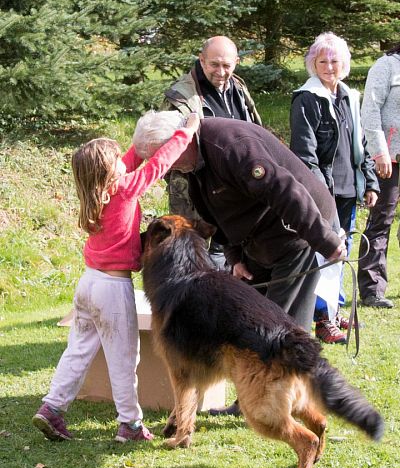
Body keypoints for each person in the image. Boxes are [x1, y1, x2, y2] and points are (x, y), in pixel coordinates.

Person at [32, 111, 200, 443]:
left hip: (89, 284)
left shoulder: (97, 192)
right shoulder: (123, 190)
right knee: (124, 360)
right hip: (112, 289)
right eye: (117, 159)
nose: (125, 160)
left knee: (78, 351)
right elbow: (157, 167)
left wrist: (139, 146)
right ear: (111, 172)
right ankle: (131, 425)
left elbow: (129, 160)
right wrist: (185, 133)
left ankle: (52, 408)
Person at [133, 111, 346, 346]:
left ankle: (294, 379)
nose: (162, 168)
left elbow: (284, 190)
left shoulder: (229, 145)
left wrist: (325, 241)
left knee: (280, 330)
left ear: (180, 140)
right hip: (258, 240)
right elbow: (216, 214)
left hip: (296, 232)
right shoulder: (192, 161)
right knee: (250, 322)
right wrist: (235, 258)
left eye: (162, 158)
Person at [290, 32, 379, 343]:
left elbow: (362, 145)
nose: (329, 66)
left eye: (335, 60)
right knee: (324, 253)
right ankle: (320, 318)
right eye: (322, 60)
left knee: (343, 251)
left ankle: (333, 307)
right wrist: (319, 193)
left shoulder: (349, 97)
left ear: (345, 64)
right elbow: (305, 154)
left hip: (348, 190)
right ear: (313, 64)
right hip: (323, 192)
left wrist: (369, 181)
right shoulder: (306, 98)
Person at [163, 35, 262, 269]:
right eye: (214, 64)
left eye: (227, 65)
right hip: (194, 196)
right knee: (189, 262)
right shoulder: (179, 98)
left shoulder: (238, 88)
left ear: (236, 62)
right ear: (201, 60)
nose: (221, 71)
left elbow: (256, 131)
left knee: (232, 258)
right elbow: (167, 155)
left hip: (235, 194)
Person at [357, 42, 400, 308]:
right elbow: (370, 110)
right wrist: (379, 152)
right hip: (389, 159)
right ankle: (372, 290)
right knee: (380, 221)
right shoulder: (386, 66)